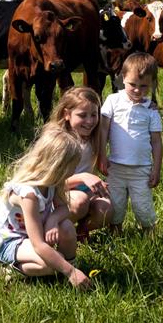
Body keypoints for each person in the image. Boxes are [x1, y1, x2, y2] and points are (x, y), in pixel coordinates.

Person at [0, 125, 91, 289]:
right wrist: (69, 271)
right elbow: (38, 244)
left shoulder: (53, 182)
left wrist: (53, 219)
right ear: (58, 166)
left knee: (67, 226)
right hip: (10, 241)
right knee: (48, 265)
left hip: (33, 235)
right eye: (72, 167)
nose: (73, 172)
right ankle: (12, 270)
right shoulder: (28, 195)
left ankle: (71, 269)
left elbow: (64, 208)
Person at [98, 52, 163, 234]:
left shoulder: (151, 110)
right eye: (132, 84)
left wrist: (156, 169)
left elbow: (157, 142)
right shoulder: (113, 100)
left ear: (151, 84)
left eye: (144, 86)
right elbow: (103, 129)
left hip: (141, 169)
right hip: (115, 167)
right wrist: (101, 155)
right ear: (123, 77)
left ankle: (150, 234)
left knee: (143, 206)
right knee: (116, 205)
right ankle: (115, 234)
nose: (137, 90)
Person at [48, 86, 114, 240]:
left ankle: (80, 233)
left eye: (94, 114)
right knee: (79, 202)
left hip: (87, 190)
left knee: (107, 210)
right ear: (66, 114)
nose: (90, 121)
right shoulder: (58, 141)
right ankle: (54, 230)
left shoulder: (94, 137)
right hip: (57, 195)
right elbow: (49, 184)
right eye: (82, 115)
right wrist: (83, 177)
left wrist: (144, 103)